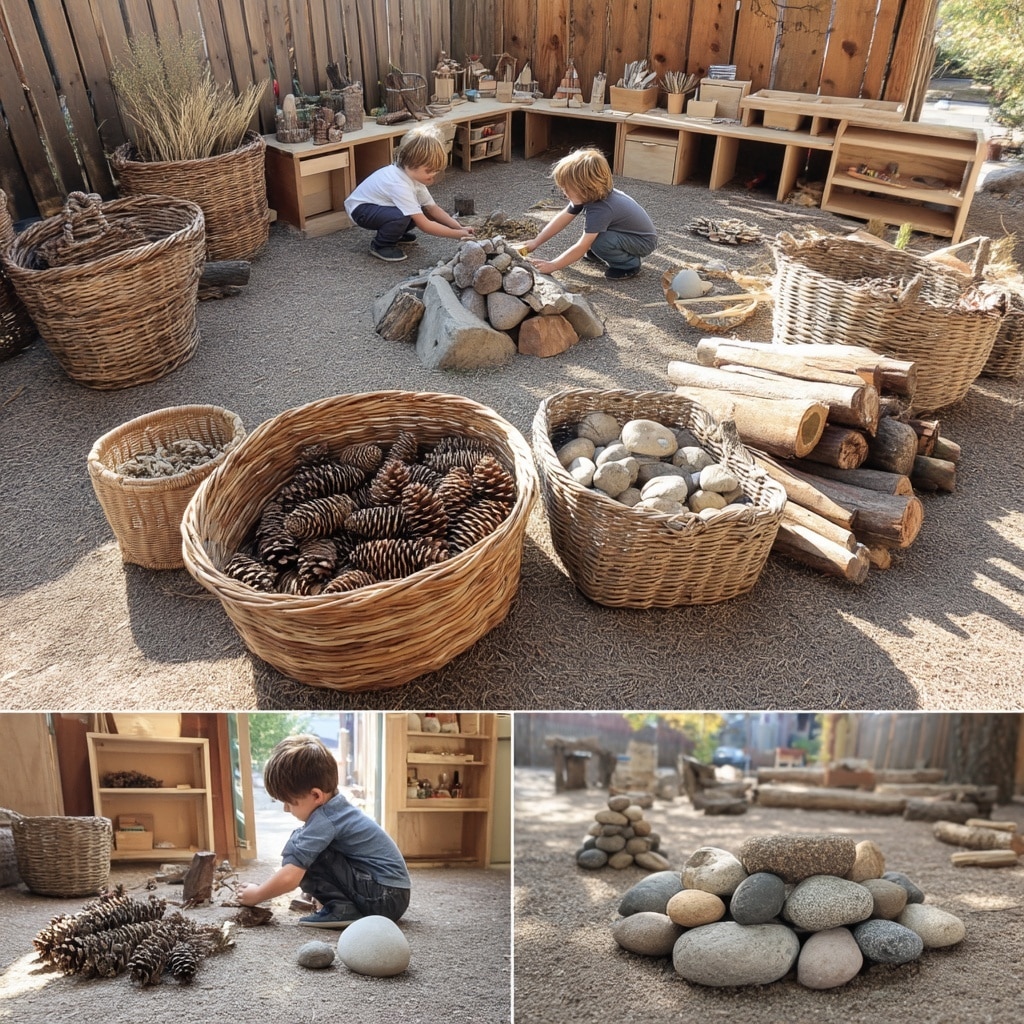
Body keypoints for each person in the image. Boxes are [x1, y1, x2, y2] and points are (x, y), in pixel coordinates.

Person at [238, 734, 411, 929]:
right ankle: (340, 903)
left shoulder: (325, 820)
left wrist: (257, 894)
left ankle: (342, 909)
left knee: (301, 845)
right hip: (393, 896)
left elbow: (290, 877)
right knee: (307, 844)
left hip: (382, 897)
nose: (285, 809)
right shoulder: (337, 810)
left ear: (316, 795)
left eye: (289, 802)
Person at [520, 146, 657, 280]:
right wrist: (536, 242)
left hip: (642, 242)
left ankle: (628, 264)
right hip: (626, 233)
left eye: (566, 189)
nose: (564, 193)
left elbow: (582, 245)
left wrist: (553, 265)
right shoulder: (591, 195)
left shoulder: (601, 209)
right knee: (597, 238)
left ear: (585, 188)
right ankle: (604, 252)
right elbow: (562, 218)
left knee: (599, 242)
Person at [343, 124, 475, 262]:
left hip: (376, 206)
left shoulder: (412, 176)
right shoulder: (399, 184)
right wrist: (457, 234)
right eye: (429, 171)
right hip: (360, 210)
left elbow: (432, 208)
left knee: (416, 211)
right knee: (402, 216)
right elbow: (425, 225)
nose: (433, 175)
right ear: (412, 163)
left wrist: (459, 227)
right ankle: (381, 245)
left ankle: (395, 234)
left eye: (436, 170)